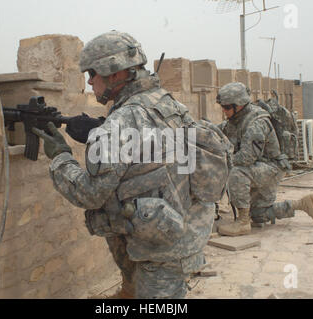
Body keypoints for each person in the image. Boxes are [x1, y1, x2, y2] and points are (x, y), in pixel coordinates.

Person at [32, 31, 216, 298]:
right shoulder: (167, 102)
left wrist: (61, 156)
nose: (89, 81)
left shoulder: (123, 120)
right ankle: (130, 289)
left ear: (115, 73)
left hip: (163, 250)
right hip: (180, 223)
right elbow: (157, 152)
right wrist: (100, 131)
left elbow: (90, 194)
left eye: (92, 73)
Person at [215, 82, 313, 237]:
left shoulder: (255, 123)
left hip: (270, 168)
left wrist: (221, 160)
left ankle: (243, 223)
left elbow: (245, 158)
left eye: (226, 107)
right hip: (260, 168)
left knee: (237, 172)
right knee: (259, 215)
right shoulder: (237, 118)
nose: (224, 111)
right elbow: (221, 129)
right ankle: (302, 204)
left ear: (238, 105)